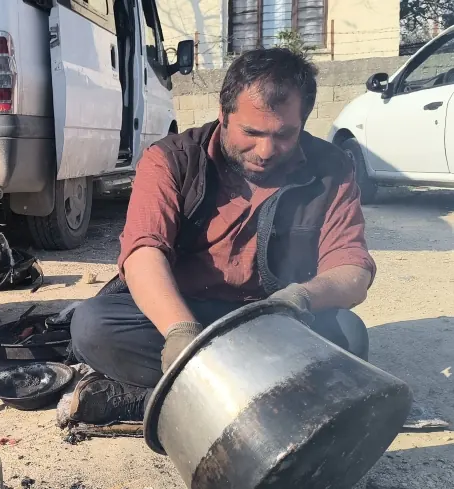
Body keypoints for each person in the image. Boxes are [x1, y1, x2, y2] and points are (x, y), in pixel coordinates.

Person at [63, 48, 376, 425]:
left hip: (275, 319)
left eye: (284, 135)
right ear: (223, 113)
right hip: (182, 309)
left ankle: (161, 405)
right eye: (251, 132)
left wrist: (298, 298)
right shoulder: (171, 159)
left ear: (303, 122)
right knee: (93, 325)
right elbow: (143, 253)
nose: (265, 151)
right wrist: (180, 331)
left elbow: (352, 269)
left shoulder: (332, 168)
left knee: (349, 339)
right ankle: (266, 400)